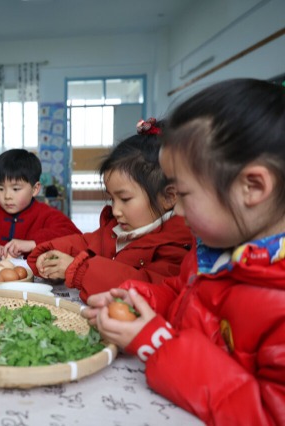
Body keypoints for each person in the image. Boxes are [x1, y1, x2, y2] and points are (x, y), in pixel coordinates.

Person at [82, 79, 285, 425]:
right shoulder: (214, 249)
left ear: (252, 187)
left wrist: (159, 345)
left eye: (185, 195)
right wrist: (138, 299)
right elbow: (184, 294)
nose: (175, 210)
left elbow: (267, 414)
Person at [27, 119, 193, 302]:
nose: (115, 210)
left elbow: (145, 288)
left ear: (168, 197)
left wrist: (79, 271)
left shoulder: (177, 247)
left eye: (125, 199)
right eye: (112, 199)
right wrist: (50, 252)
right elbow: (85, 242)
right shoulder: (115, 230)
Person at [0, 149, 81, 259]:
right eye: (0, 188)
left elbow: (76, 239)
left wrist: (33, 243)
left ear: (35, 189)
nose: (7, 196)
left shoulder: (48, 215)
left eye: (15, 189)